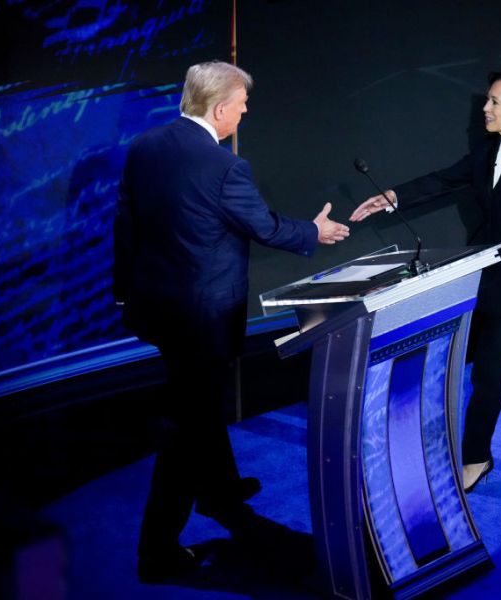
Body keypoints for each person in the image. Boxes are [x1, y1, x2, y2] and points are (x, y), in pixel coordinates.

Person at [114, 60, 349, 581]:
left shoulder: (145, 147)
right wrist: (314, 232)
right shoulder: (225, 167)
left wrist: (124, 298)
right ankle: (157, 551)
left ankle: (219, 491)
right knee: (187, 427)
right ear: (221, 109)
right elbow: (262, 225)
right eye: (242, 105)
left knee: (197, 403)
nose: (244, 112)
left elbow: (126, 226)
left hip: (160, 311)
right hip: (204, 318)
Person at [350, 70, 501, 493]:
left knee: (488, 375)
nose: (486, 108)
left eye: (495, 102)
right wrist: (392, 197)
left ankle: (476, 459)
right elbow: (443, 180)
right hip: (497, 282)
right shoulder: (488, 153)